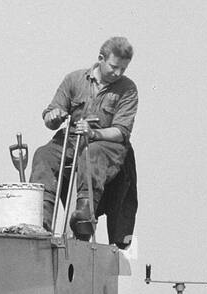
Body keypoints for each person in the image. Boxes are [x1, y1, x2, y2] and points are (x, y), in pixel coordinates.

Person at [31, 36, 137, 240]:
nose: (118, 73)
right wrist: (53, 117)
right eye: (114, 67)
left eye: (123, 69)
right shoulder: (74, 80)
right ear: (101, 58)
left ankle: (84, 217)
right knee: (43, 155)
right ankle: (40, 221)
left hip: (106, 145)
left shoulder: (128, 89)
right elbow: (50, 115)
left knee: (92, 153)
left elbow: (121, 131)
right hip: (71, 140)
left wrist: (94, 133)